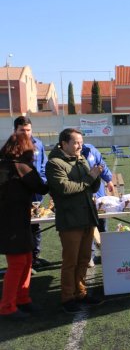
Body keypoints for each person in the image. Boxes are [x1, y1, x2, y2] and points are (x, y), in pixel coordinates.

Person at [46, 129, 104, 313]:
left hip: (87, 217)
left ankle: (81, 293)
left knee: (84, 259)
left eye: (81, 142)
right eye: (76, 142)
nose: (80, 146)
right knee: (70, 260)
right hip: (70, 219)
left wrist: (96, 177)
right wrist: (89, 179)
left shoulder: (80, 159)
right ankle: (67, 298)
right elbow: (65, 188)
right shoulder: (54, 163)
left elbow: (90, 188)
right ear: (64, 143)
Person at [0, 134, 49, 320]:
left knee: (26, 260)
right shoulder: (21, 166)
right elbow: (41, 188)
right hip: (14, 222)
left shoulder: (4, 164)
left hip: (12, 221)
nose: (34, 151)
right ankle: (7, 306)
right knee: (18, 263)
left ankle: (22, 298)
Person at [13, 116, 48, 271]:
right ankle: (24, 260)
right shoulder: (12, 147)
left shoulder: (38, 144)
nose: (26, 133)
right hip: (20, 193)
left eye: (28, 130)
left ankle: (35, 257)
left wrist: (42, 181)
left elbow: (43, 165)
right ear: (15, 130)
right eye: (22, 130)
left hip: (37, 191)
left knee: (36, 224)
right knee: (22, 225)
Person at [81, 143, 115, 267]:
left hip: (99, 195)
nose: (78, 144)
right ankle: (90, 255)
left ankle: (106, 252)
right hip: (83, 196)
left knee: (103, 225)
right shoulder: (71, 155)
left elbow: (102, 165)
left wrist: (109, 180)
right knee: (88, 228)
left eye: (80, 141)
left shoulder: (92, 149)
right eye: (75, 141)